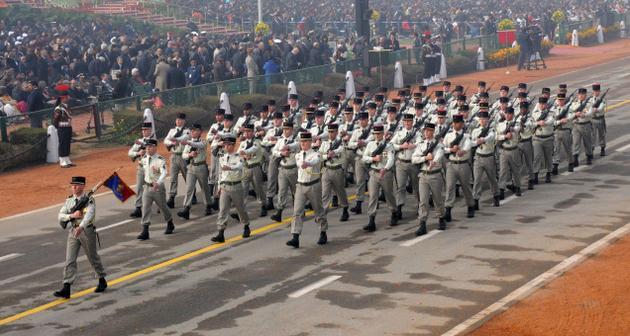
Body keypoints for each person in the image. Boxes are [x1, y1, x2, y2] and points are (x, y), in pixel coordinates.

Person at [54, 176, 107, 299]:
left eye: (76, 185)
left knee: (93, 257)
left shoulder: (89, 200)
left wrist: (81, 227)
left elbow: (89, 215)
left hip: (86, 231)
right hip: (73, 230)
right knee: (70, 260)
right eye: (72, 185)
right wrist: (72, 216)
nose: (73, 187)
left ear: (83, 186)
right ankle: (66, 287)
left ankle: (101, 279)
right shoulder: (69, 201)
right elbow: (60, 215)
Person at [286, 131, 328, 248]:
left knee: (318, 210)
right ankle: (295, 236)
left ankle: (323, 231)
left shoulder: (316, 154)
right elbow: (300, 163)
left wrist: (308, 163)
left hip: (313, 185)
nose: (302, 143)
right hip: (300, 185)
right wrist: (304, 163)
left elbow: (316, 160)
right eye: (301, 141)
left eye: (305, 141)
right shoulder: (298, 155)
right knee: (297, 212)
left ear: (310, 142)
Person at [212, 134, 251, 243]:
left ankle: (246, 225)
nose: (226, 147)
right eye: (225, 145)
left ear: (233, 145)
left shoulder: (239, 156)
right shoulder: (222, 157)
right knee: (223, 210)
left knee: (240, 209)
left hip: (236, 186)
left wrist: (230, 167)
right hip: (225, 186)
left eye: (229, 145)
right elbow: (220, 173)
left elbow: (239, 167)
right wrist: (219, 186)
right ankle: (221, 233)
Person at [137, 139, 175, 241]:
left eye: (150, 147)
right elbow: (143, 167)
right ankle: (145, 230)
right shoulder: (145, 158)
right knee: (145, 208)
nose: (148, 149)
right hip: (147, 187)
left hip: (158, 188)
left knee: (162, 206)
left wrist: (158, 183)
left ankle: (170, 222)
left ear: (155, 147)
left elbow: (164, 173)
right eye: (146, 147)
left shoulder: (160, 159)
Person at [362, 123, 397, 231]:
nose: (377, 135)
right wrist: (373, 159)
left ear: (383, 134)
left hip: (385, 173)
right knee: (372, 196)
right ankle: (371, 220)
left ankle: (394, 212)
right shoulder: (370, 145)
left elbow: (391, 159)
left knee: (389, 195)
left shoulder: (389, 145)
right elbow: (364, 157)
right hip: (374, 172)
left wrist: (385, 169)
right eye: (375, 134)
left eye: (379, 133)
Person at [412, 123, 446, 235]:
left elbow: (440, 154)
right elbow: (414, 159)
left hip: (435, 174)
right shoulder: (421, 145)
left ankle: (441, 218)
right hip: (423, 175)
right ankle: (422, 224)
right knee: (423, 201)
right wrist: (425, 158)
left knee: (438, 199)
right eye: (425, 131)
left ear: (433, 132)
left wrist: (434, 162)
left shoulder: (438, 145)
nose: (426, 133)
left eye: (429, 131)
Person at [177, 124, 213, 220]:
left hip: (201, 166)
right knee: (189, 188)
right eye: (191, 130)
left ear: (200, 132)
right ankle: (186, 209)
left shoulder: (203, 141)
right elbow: (184, 155)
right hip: (191, 167)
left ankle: (208, 205)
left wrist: (189, 143)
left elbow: (199, 145)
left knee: (204, 187)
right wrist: (189, 154)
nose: (192, 132)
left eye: (195, 130)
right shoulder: (190, 142)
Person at [443, 114, 475, 221]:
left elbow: (468, 145)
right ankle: (448, 209)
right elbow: (443, 149)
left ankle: (470, 205)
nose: (456, 125)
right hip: (451, 164)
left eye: (458, 123)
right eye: (455, 123)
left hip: (463, 164)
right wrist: (451, 150)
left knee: (466, 187)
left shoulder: (466, 136)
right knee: (450, 187)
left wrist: (463, 151)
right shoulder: (448, 136)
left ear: (462, 124)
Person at [391, 113, 421, 219]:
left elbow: (421, 143)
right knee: (400, 187)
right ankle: (399, 207)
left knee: (416, 187)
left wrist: (414, 145)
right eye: (406, 121)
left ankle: (419, 206)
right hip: (401, 163)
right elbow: (391, 145)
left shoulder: (416, 133)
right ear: (403, 122)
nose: (407, 123)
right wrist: (400, 146)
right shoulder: (399, 134)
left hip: (413, 163)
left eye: (409, 121)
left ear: (412, 122)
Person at [319, 123, 350, 221]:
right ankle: (323, 214)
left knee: (340, 191)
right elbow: (319, 155)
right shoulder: (324, 143)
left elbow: (341, 149)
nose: (330, 134)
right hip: (327, 169)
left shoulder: (341, 142)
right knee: (325, 193)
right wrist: (326, 156)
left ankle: (345, 208)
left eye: (332, 132)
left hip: (337, 170)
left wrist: (334, 152)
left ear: (336, 132)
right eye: (329, 132)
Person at [270, 120, 299, 222]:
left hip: (293, 169)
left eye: (288, 129)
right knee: (282, 191)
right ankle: (279, 212)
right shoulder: (280, 141)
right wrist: (281, 154)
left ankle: (299, 210)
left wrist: (288, 146)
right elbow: (274, 151)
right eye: (284, 129)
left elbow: (297, 145)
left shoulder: (296, 139)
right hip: (283, 169)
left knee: (295, 192)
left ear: (292, 130)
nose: (286, 131)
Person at [471, 111, 501, 208]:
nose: (482, 121)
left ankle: (496, 195)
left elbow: (491, 137)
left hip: (488, 157)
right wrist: (477, 142)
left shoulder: (491, 130)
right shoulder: (475, 130)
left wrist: (483, 140)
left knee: (492, 178)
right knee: (477, 180)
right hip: (478, 157)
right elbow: (472, 142)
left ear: (487, 120)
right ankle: (475, 200)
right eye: (481, 119)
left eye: (484, 119)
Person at [239, 123, 267, 217]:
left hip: (255, 167)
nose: (246, 133)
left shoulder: (257, 141)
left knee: (258, 188)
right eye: (245, 131)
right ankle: (241, 210)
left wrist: (245, 152)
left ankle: (263, 205)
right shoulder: (243, 143)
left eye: (249, 131)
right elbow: (239, 153)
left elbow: (254, 149)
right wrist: (243, 155)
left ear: (253, 132)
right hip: (246, 168)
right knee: (243, 190)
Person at [164, 113, 191, 208]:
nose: (178, 121)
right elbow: (165, 141)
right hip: (174, 156)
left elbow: (184, 138)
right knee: (173, 178)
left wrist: (174, 139)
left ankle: (192, 194)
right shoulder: (172, 130)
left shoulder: (187, 131)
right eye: (177, 119)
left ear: (184, 121)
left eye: (180, 120)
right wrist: (172, 141)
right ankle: (171, 197)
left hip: (183, 156)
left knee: (187, 177)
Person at [347, 112, 373, 214]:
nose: (362, 122)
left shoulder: (372, 131)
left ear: (367, 120)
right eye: (360, 120)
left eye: (363, 120)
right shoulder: (356, 132)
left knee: (372, 181)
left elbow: (373, 141)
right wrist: (357, 144)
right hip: (359, 158)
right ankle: (358, 204)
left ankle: (374, 201)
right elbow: (350, 144)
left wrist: (364, 142)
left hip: (370, 158)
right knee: (360, 181)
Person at [128, 122, 153, 218]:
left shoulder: (153, 140)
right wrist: (138, 153)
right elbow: (130, 152)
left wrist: (143, 145)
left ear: (150, 130)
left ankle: (160, 205)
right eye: (142, 130)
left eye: (146, 130)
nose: (143, 131)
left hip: (150, 168)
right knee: (139, 188)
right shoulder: (139, 141)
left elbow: (151, 149)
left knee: (152, 189)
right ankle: (138, 208)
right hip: (141, 167)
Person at [497, 108, 523, 198]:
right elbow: (497, 137)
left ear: (512, 115)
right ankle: (501, 189)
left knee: (516, 170)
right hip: (504, 150)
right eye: (506, 113)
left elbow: (517, 129)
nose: (507, 115)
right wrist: (505, 136)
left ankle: (517, 187)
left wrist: (512, 129)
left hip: (513, 149)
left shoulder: (516, 123)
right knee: (503, 171)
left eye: (509, 114)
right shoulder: (500, 124)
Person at [532, 97, 555, 184]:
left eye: (543, 104)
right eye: (540, 104)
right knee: (537, 157)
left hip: (548, 138)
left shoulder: (551, 113)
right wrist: (537, 123)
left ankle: (548, 173)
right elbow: (531, 124)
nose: (542, 105)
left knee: (548, 157)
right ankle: (536, 175)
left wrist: (544, 123)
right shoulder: (535, 113)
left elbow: (551, 120)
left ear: (546, 104)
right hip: (537, 138)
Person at [570, 88, 594, 166]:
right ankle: (575, 158)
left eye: (583, 94)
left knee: (587, 142)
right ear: (577, 95)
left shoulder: (589, 103)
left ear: (585, 95)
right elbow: (570, 113)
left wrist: (584, 115)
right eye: (580, 94)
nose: (581, 96)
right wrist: (575, 115)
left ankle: (588, 156)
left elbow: (590, 112)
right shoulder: (574, 104)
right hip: (576, 125)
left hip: (586, 124)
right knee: (576, 142)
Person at [551, 93, 574, 175]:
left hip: (565, 131)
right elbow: (552, 121)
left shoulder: (568, 108)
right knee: (556, 149)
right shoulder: (554, 110)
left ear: (564, 100)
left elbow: (572, 116)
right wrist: (559, 121)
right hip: (557, 131)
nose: (560, 101)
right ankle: (555, 166)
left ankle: (571, 163)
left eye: (562, 100)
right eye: (559, 100)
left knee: (568, 148)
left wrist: (567, 119)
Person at [52, 89, 74, 168]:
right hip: (62, 128)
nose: (68, 98)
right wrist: (57, 127)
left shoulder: (67, 107)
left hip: (68, 127)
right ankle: (62, 161)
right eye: (67, 97)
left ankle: (67, 159)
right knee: (62, 144)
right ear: (63, 98)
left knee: (67, 143)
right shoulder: (59, 108)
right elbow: (55, 119)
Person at [589, 84, 607, 157]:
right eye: (595, 91)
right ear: (593, 92)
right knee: (592, 136)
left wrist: (597, 109)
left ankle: (602, 148)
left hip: (600, 119)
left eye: (597, 91)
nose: (596, 92)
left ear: (599, 92)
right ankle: (591, 150)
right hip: (593, 119)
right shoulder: (590, 100)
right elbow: (589, 108)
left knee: (601, 135)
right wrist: (593, 109)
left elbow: (602, 107)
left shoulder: (602, 99)